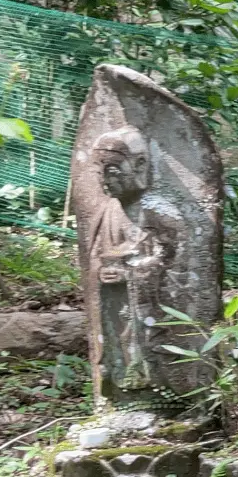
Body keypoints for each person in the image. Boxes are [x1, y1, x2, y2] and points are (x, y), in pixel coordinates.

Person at [84, 127, 182, 399]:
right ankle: (121, 392)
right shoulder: (107, 212)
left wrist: (132, 272)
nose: (106, 180)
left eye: (113, 171)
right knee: (119, 346)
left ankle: (160, 394)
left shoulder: (157, 211)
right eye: (100, 172)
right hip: (116, 303)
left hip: (144, 306)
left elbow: (174, 263)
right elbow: (93, 257)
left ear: (139, 165)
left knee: (143, 347)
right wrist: (101, 271)